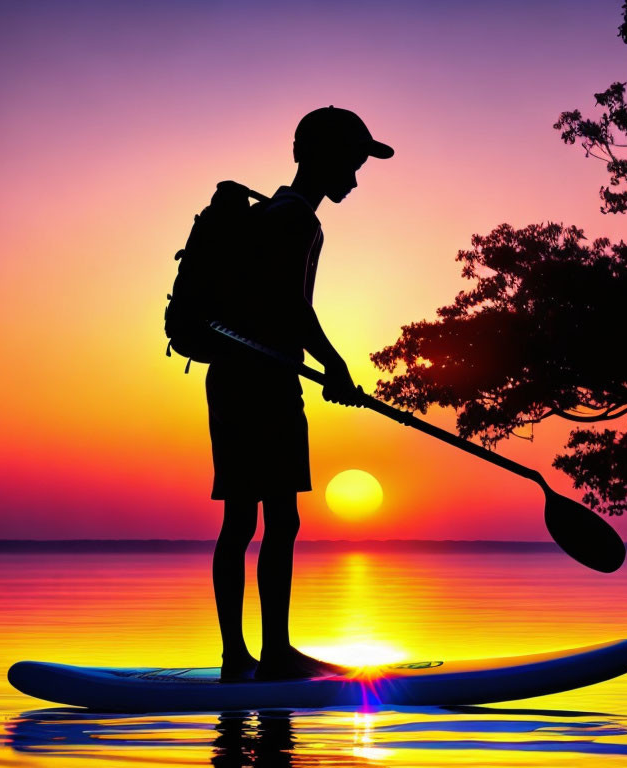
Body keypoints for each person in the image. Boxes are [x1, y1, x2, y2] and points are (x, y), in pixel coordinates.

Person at [207, 106, 394, 681]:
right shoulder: (297, 221)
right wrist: (335, 365)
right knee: (278, 520)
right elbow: (293, 308)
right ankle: (274, 655)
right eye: (353, 164)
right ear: (322, 157)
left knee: (242, 520)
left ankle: (239, 657)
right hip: (263, 383)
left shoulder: (276, 215)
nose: (356, 179)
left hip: (236, 377)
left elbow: (276, 307)